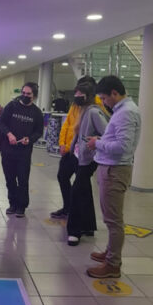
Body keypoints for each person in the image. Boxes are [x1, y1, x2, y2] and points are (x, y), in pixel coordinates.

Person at [86, 75, 141, 278]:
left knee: (113, 220)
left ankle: (112, 264)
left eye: (104, 98)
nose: (103, 102)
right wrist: (102, 139)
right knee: (111, 217)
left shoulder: (126, 113)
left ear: (114, 93)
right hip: (111, 168)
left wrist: (97, 143)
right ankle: (110, 252)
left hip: (115, 170)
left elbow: (123, 147)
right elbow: (118, 139)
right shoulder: (123, 110)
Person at [51, 76, 104, 220]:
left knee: (81, 186)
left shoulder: (96, 105)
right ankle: (68, 208)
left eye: (81, 90)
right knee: (62, 176)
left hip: (85, 152)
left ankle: (82, 217)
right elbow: (67, 124)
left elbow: (101, 130)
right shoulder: (75, 104)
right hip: (70, 149)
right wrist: (62, 143)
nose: (77, 94)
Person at [66, 81, 109, 246]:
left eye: (80, 94)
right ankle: (88, 226)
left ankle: (74, 231)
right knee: (83, 191)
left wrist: (95, 140)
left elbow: (107, 134)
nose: (77, 97)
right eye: (76, 93)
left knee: (76, 192)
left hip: (89, 159)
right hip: (80, 157)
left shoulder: (94, 112)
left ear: (89, 96)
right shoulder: (83, 110)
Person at [0, 82, 44, 218]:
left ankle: (22, 206)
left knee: (23, 180)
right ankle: (12, 203)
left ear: (34, 96)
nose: (24, 96)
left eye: (28, 94)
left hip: (24, 152)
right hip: (8, 150)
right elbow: (1, 123)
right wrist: (9, 134)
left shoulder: (37, 113)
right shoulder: (11, 106)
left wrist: (30, 139)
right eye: (23, 93)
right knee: (10, 179)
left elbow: (39, 131)